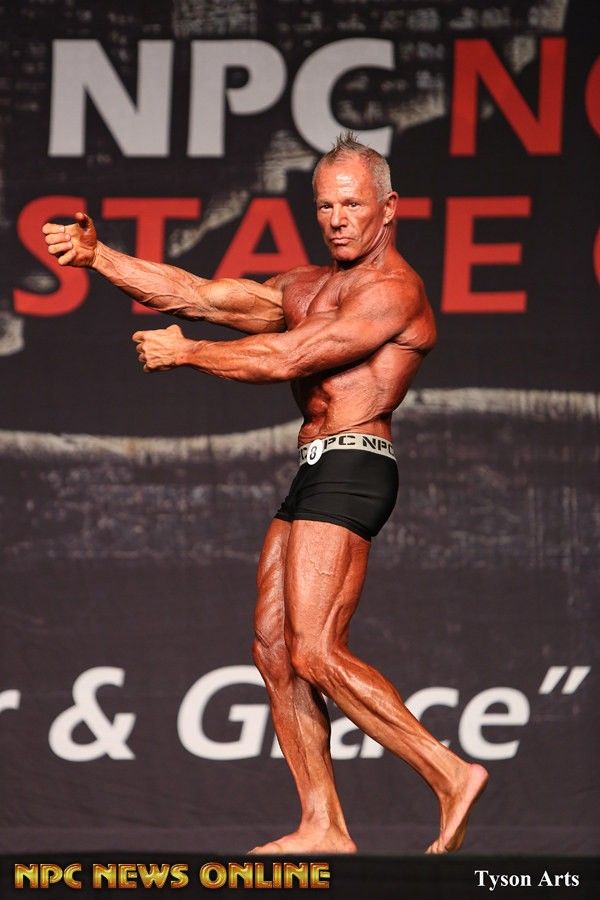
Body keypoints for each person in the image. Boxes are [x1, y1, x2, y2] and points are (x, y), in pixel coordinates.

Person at [42, 133, 488, 855]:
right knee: (274, 648)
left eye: (353, 205)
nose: (337, 219)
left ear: (388, 208)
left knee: (315, 648)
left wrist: (189, 353)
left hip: (355, 462)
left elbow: (294, 355)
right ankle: (323, 824)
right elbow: (195, 294)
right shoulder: (306, 288)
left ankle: (449, 772)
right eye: (326, 206)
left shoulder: (393, 291)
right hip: (313, 467)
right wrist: (100, 258)